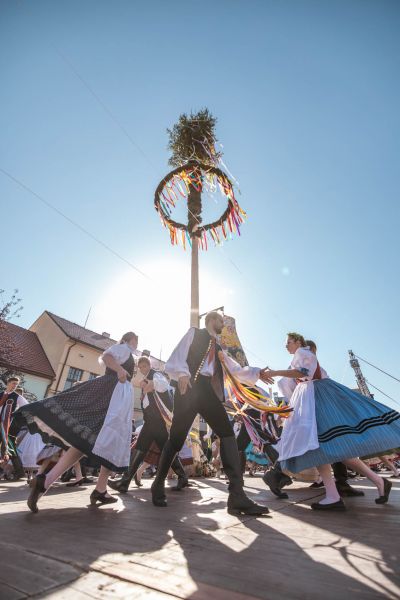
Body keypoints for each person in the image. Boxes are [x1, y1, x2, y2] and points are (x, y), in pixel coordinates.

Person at [151, 311, 272, 515]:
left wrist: (258, 373)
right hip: (189, 387)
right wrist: (182, 374)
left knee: (227, 434)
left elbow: (235, 369)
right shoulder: (194, 333)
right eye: (220, 321)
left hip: (207, 390)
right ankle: (158, 483)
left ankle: (237, 495)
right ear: (211, 320)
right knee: (177, 439)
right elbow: (178, 355)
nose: (223, 324)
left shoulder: (219, 348)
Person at [261, 333, 400, 510]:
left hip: (319, 401)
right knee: (326, 447)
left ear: (298, 342)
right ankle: (368, 484)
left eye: (288, 342)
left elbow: (303, 374)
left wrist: (274, 373)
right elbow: (296, 381)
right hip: (316, 401)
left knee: (320, 446)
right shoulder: (300, 359)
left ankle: (335, 495)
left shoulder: (304, 354)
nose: (285, 345)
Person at [15, 331, 138, 512]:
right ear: (129, 340)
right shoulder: (124, 348)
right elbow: (107, 356)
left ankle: (48, 482)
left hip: (115, 400)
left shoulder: (128, 353)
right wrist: (120, 370)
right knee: (108, 443)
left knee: (85, 443)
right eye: (135, 340)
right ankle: (98, 489)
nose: (137, 344)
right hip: (110, 401)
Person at [264, 340, 365, 499]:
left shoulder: (307, 366)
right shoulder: (298, 368)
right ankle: (277, 475)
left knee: (325, 442)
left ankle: (338, 483)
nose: (312, 355)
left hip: (314, 410)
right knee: (324, 442)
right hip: (308, 412)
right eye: (311, 351)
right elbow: (286, 385)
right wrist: (297, 405)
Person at [109, 355, 188, 493]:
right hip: (150, 421)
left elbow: (163, 386)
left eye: (144, 366)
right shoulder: (145, 379)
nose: (142, 369)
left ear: (149, 365)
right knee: (143, 449)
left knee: (148, 449)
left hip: (156, 420)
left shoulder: (155, 375)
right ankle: (125, 482)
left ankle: (125, 482)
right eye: (140, 367)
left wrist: (150, 385)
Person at [0, 377, 28, 479]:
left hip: (9, 426)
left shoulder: (17, 397)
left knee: (9, 448)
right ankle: (19, 471)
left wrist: (16, 418)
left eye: (16, 384)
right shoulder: (1, 394)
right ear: (8, 383)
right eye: (13, 383)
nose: (15, 386)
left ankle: (18, 471)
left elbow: (27, 408)